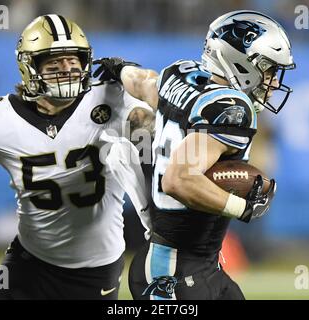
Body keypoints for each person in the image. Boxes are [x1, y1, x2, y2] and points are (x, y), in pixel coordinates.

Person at [0, 14, 154, 299]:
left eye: (73, 61)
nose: (67, 69)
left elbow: (156, 101)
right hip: (28, 260)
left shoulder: (109, 100)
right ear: (31, 68)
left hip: (95, 268)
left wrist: (128, 72)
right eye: (55, 63)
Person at [95, 10, 295, 300]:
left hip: (195, 264)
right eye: (268, 70)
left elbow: (144, 82)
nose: (274, 83)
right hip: (174, 272)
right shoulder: (233, 109)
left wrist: (119, 68)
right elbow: (179, 180)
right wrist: (244, 208)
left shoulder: (182, 75)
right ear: (239, 61)